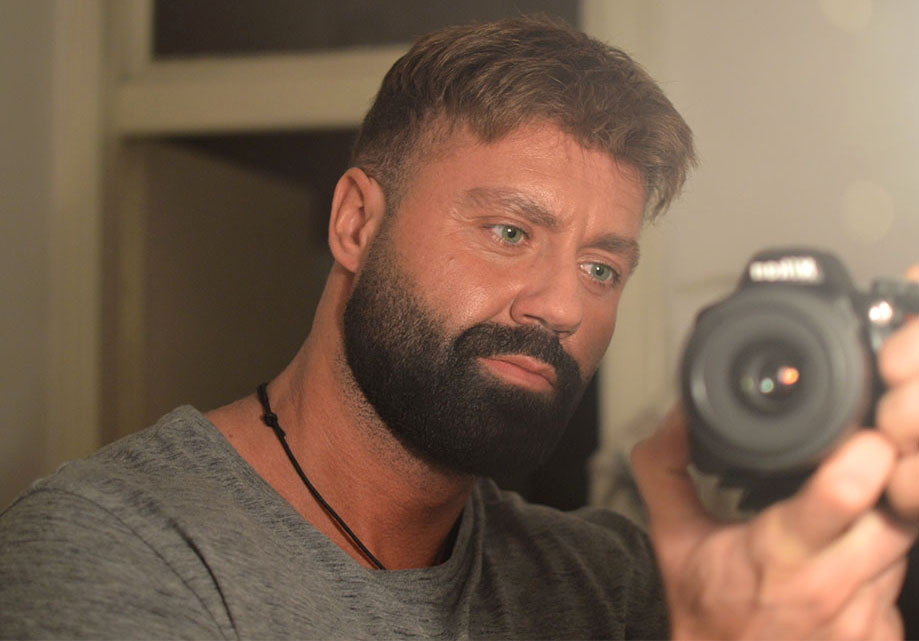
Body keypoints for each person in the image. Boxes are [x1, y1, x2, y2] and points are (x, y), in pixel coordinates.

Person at [2, 14, 918, 640]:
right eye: (509, 232)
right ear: (355, 224)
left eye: (601, 268)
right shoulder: (117, 546)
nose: (561, 306)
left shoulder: (615, 588)